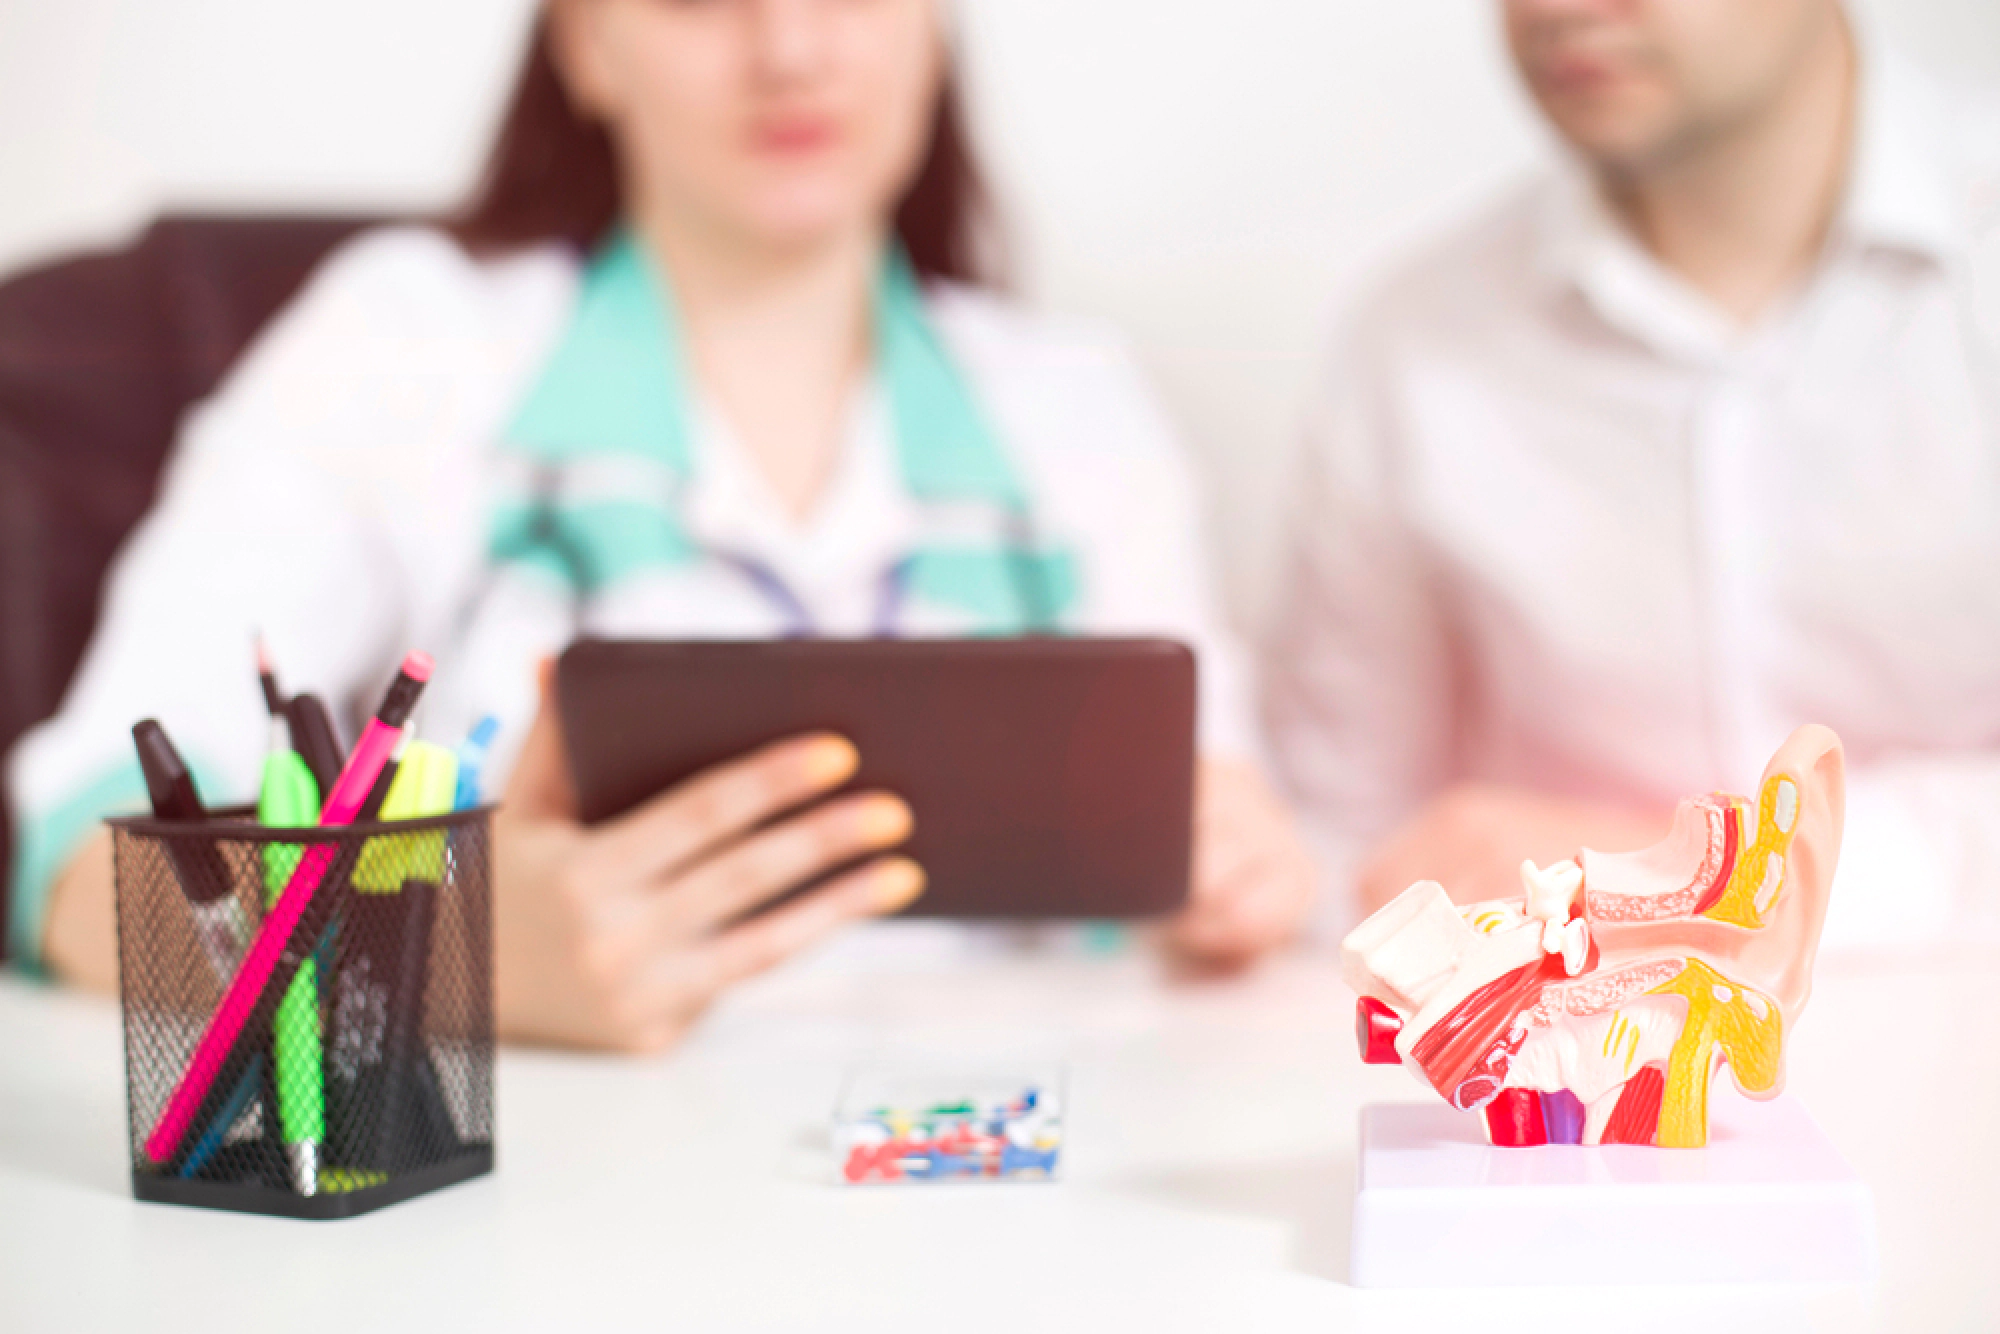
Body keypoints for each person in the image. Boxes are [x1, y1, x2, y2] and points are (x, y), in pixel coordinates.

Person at [7, 0, 1316, 1048]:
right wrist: (438, 947)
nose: (791, 48)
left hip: (1014, 1161)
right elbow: (80, 868)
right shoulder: (405, 342)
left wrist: (1238, 881)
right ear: (585, 42)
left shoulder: (1076, 405)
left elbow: (1223, 850)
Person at [1264, 0, 2000, 944]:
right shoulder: (1417, 340)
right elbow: (1338, 842)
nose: (1559, 9)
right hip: (1569, 1073)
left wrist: (1690, 875)